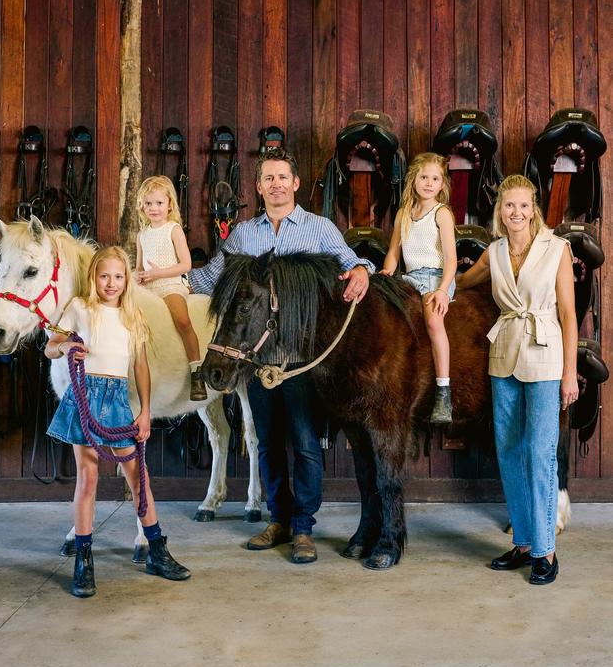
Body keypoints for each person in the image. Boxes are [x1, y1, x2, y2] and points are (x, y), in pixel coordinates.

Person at [188, 147, 373, 565]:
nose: (275, 185)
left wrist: (362, 269)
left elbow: (353, 262)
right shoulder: (242, 236)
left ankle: (304, 527)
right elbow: (209, 279)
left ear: (295, 183)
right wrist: (165, 277)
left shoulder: (319, 228)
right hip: (256, 362)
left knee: (306, 445)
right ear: (258, 186)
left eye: (282, 177)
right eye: (268, 178)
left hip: (302, 360)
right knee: (267, 444)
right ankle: (279, 520)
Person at [45, 246, 191, 597]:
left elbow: (140, 366)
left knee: (138, 477)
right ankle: (84, 558)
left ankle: (157, 550)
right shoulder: (80, 308)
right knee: (89, 478)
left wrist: (143, 412)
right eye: (104, 276)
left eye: (118, 276)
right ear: (94, 277)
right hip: (86, 395)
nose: (111, 283)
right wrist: (64, 348)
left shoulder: (132, 316)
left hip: (118, 398)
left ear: (127, 281)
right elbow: (50, 346)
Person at [456, 175, 578, 586]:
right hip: (504, 355)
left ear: (534, 208)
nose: (516, 213)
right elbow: (461, 282)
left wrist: (569, 373)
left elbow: (567, 316)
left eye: (523, 205)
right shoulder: (494, 252)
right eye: (509, 206)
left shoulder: (557, 249)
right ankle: (524, 543)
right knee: (508, 450)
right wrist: (429, 284)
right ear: (500, 211)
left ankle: (546, 550)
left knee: (540, 453)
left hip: (546, 355)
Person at [379, 153, 457, 423]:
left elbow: (451, 259)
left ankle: (443, 392)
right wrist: (387, 272)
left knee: (434, 321)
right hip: (409, 276)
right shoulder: (403, 214)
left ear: (441, 184)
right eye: (424, 177)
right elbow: (393, 252)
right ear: (414, 180)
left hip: (436, 276)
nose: (428, 183)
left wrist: (444, 290)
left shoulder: (442, 213)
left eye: (435, 178)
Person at [135, 175, 207, 402]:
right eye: (148, 204)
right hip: (149, 289)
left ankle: (197, 370)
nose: (153, 208)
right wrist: (139, 277)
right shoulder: (141, 235)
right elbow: (138, 266)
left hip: (170, 284)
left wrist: (158, 274)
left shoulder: (173, 229)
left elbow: (185, 265)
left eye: (158, 203)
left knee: (182, 321)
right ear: (142, 206)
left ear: (169, 205)